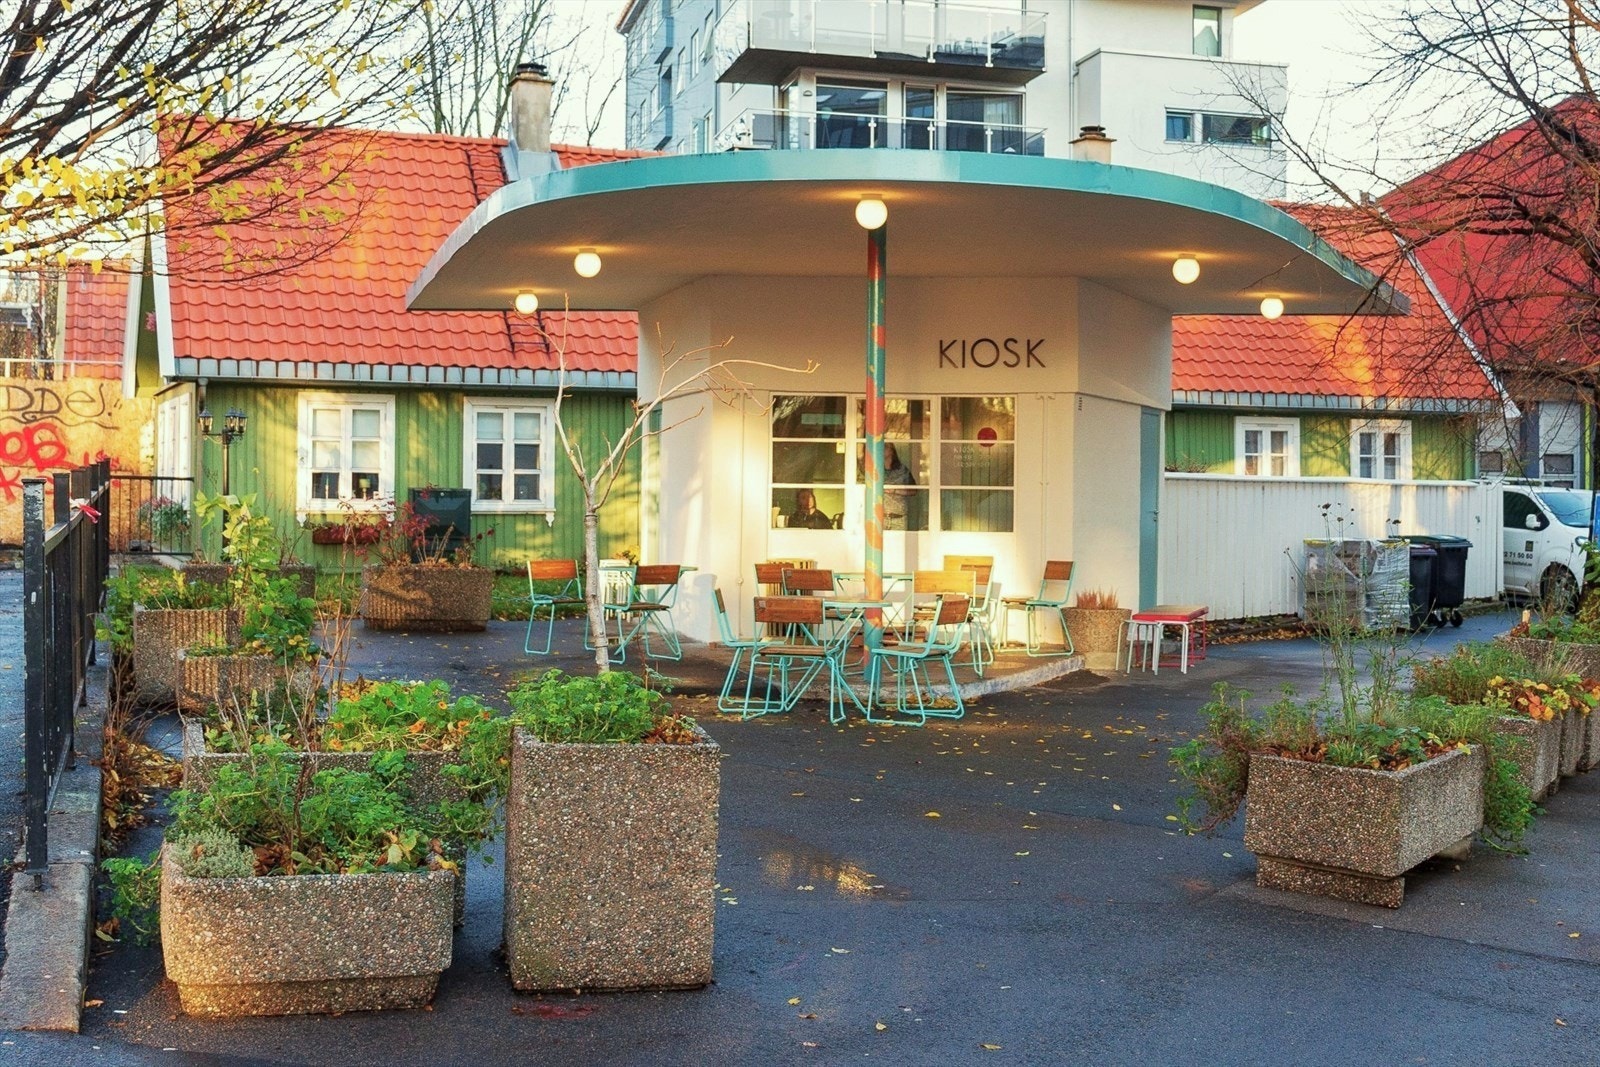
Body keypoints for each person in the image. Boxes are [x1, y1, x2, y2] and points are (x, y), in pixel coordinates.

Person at [883, 442, 915, 529]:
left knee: (899, 542)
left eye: (885, 447)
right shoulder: (876, 470)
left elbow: (914, 490)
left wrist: (896, 491)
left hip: (898, 518)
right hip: (880, 517)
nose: (882, 449)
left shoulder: (902, 470)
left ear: (892, 451)